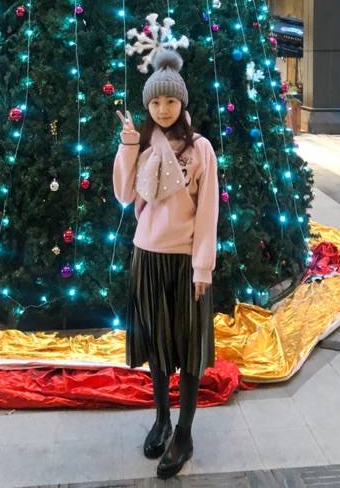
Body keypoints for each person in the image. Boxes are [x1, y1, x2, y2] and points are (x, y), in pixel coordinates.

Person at [113, 47, 219, 479]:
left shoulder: (200, 150)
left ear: (182, 101)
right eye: (155, 101)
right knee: (157, 346)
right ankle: (161, 420)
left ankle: (185, 433)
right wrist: (127, 145)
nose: (162, 109)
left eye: (170, 100)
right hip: (147, 258)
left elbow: (208, 212)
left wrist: (202, 268)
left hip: (185, 263)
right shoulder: (142, 146)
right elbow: (124, 195)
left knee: (189, 350)